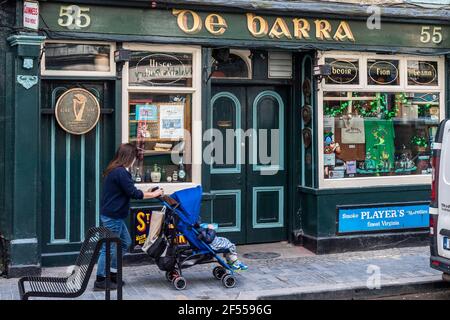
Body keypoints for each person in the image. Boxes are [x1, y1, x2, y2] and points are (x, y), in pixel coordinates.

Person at [94, 143, 163, 291]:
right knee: (109, 248)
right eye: (134, 158)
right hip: (113, 216)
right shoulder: (121, 172)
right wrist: (154, 194)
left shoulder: (116, 170)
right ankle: (100, 280)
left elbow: (129, 190)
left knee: (125, 243)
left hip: (114, 215)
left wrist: (148, 190)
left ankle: (113, 274)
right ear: (129, 157)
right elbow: (134, 194)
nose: (134, 161)